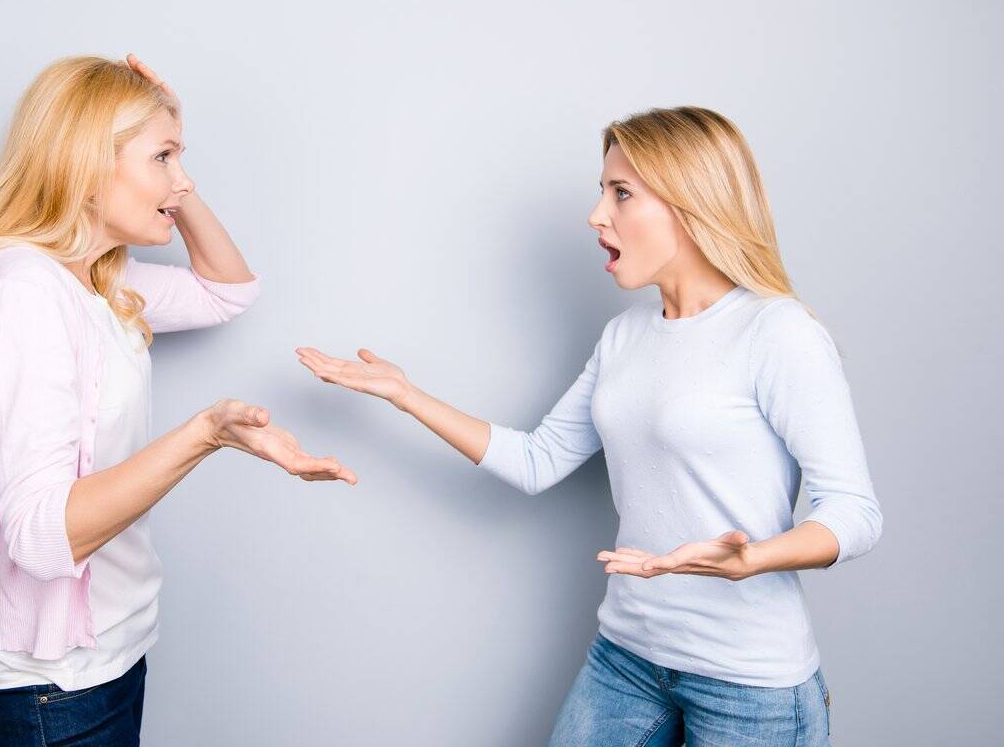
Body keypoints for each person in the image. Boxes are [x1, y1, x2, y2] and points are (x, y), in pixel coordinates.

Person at [296, 106, 881, 746]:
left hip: (748, 681)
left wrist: (754, 559)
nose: (596, 215)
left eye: (621, 193)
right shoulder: (625, 335)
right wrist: (407, 396)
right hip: (627, 656)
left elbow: (854, 512)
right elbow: (537, 460)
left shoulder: (777, 331)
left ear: (691, 203)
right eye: (602, 191)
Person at [0, 54, 356, 746]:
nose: (185, 179)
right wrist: (206, 434)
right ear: (87, 162)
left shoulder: (96, 281)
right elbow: (44, 538)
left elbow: (228, 291)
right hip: (49, 690)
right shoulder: (24, 295)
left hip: (104, 663)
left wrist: (167, 151)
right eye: (163, 158)